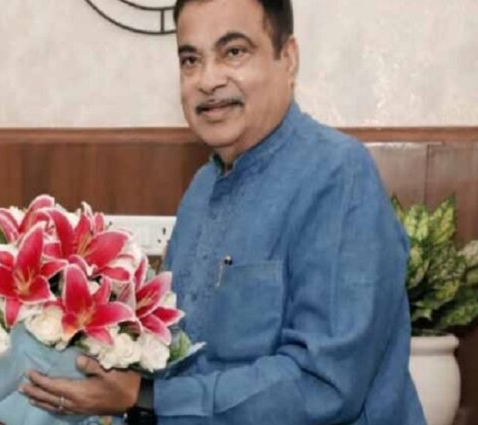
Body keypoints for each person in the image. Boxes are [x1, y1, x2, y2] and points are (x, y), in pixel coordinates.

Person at [22, 0, 428, 423]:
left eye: (234, 51)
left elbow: (322, 384)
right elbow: (174, 357)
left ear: (288, 59)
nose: (207, 80)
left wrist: (147, 397)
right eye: (190, 60)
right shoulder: (201, 188)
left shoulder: (338, 175)